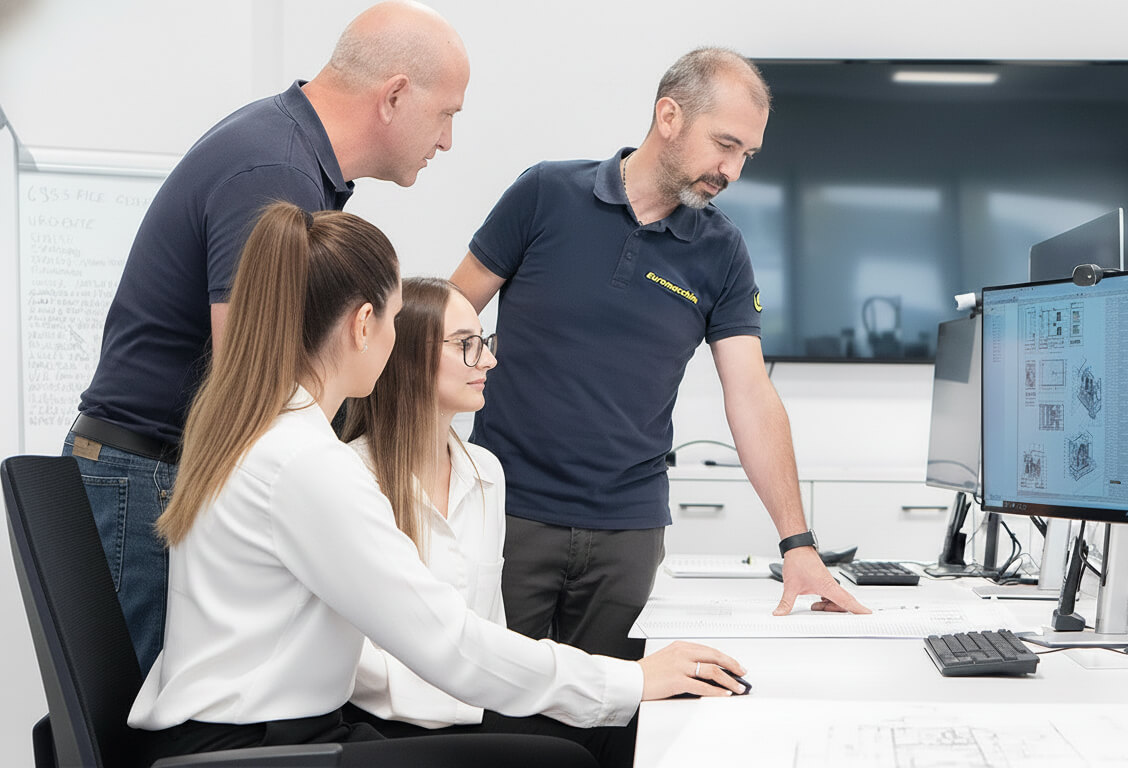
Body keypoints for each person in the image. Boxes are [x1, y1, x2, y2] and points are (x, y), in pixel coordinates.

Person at [128, 202, 746, 768]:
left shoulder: (257, 430)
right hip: (260, 752)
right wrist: (633, 680)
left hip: (259, 735)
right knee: (564, 762)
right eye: (397, 319)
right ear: (363, 324)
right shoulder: (308, 464)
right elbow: (445, 641)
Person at [64, 0, 470, 676]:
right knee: (141, 727)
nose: (448, 140)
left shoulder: (289, 153)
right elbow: (257, 383)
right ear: (395, 96)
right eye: (448, 114)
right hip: (151, 477)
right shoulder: (274, 171)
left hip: (165, 468)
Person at [450, 47, 869, 664]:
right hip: (509, 511)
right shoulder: (544, 194)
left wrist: (797, 543)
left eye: (746, 155)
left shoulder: (721, 250)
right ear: (668, 116)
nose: (732, 170)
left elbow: (750, 393)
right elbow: (448, 318)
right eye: (724, 144)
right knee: (492, 709)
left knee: (608, 723)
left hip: (628, 530)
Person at [338, 277, 632, 766]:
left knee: (631, 724)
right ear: (404, 352)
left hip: (474, 703)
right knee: (569, 755)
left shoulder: (485, 471)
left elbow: (490, 628)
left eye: (484, 343)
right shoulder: (350, 474)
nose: (489, 361)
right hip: (384, 722)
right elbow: (358, 659)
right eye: (466, 345)